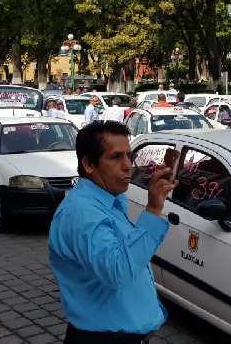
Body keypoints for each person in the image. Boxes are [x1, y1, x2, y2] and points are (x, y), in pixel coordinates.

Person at [50, 121, 175, 344]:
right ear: (89, 164)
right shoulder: (82, 212)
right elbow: (118, 271)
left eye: (129, 156)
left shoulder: (110, 201)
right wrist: (154, 209)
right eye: (116, 157)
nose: (128, 166)